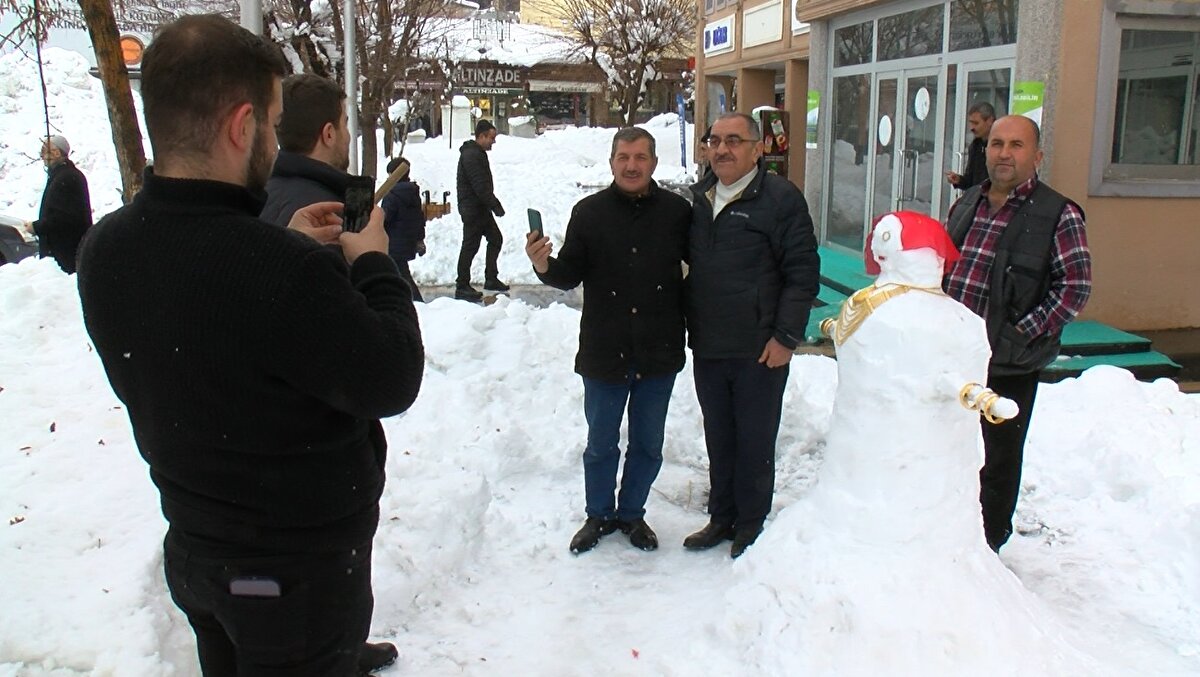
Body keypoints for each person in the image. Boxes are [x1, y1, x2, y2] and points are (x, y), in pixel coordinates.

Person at [75, 15, 424, 675]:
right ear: (242, 127)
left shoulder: (105, 250)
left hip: (197, 551)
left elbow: (203, 320)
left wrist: (285, 244)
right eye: (270, 117)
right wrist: (375, 263)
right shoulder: (278, 272)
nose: (273, 133)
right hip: (294, 578)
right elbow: (391, 375)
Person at [524, 127, 691, 555]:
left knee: (648, 443)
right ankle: (598, 513)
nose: (632, 165)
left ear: (654, 163)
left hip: (659, 350)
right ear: (611, 162)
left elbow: (699, 274)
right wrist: (544, 265)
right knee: (601, 443)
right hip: (604, 351)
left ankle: (632, 513)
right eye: (623, 157)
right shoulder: (589, 213)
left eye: (640, 157)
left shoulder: (678, 212)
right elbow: (567, 276)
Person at [943, 114, 1092, 553]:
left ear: (1037, 156)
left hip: (1009, 361)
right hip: (956, 356)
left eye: (1016, 145)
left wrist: (1018, 333)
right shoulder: (967, 201)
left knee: (998, 459)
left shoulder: (1058, 214)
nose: (1004, 153)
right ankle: (946, 532)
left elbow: (1075, 288)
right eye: (995, 144)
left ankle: (987, 545)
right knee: (950, 447)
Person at [682, 112, 820, 559]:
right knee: (719, 436)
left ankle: (751, 523)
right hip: (709, 343)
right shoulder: (698, 199)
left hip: (760, 348)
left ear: (757, 148)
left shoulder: (780, 199)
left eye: (734, 140)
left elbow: (802, 275)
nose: (722, 149)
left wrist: (785, 336)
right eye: (714, 140)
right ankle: (721, 517)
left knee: (755, 440)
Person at [260, 73, 354, 228]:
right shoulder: (329, 214)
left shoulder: (256, 199)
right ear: (329, 134)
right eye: (344, 124)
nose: (348, 136)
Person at [455, 119, 507, 301]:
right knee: (470, 246)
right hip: (473, 209)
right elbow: (480, 186)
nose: (493, 141)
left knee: (495, 239)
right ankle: (461, 285)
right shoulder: (471, 155)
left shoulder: (477, 153)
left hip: (480, 208)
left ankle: (491, 278)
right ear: (481, 136)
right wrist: (495, 205)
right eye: (491, 137)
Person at [23, 134, 92, 273]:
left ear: (56, 152)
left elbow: (64, 218)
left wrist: (36, 227)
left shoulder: (67, 178)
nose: (42, 156)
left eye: (45, 150)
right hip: (65, 254)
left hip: (64, 256)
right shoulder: (62, 176)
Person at [381, 156, 426, 302]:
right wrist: (420, 239)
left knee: (401, 275)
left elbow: (384, 218)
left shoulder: (392, 195)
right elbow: (419, 218)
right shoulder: (413, 193)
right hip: (407, 241)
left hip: (393, 242)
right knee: (400, 272)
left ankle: (416, 302)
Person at [945, 102, 995, 192]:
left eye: (976, 123)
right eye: (971, 123)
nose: (972, 127)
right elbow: (970, 181)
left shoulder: (1001, 146)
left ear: (990, 121)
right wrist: (959, 180)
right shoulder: (975, 145)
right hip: (978, 199)